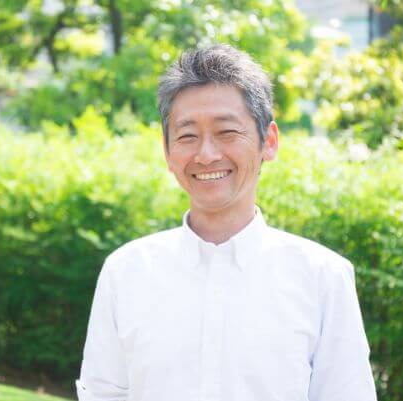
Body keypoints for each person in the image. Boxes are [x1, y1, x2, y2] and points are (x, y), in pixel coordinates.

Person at [76, 44, 377, 401]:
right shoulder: (126, 272)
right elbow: (102, 394)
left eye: (227, 132)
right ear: (168, 152)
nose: (206, 155)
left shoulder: (323, 278)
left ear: (268, 141)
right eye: (187, 136)